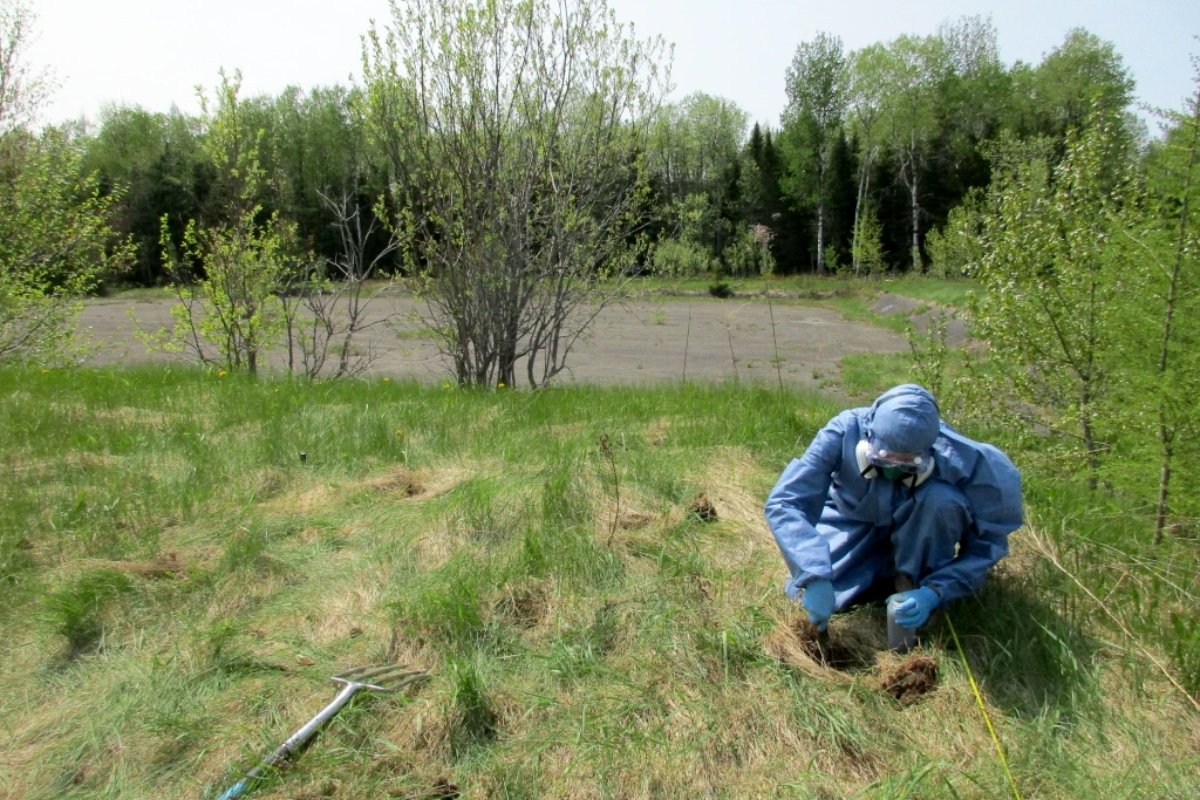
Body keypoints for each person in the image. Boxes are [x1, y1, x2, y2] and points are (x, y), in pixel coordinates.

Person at [763, 384, 1023, 643]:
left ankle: (916, 586)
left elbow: (988, 545)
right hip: (851, 522)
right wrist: (812, 572)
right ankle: (871, 575)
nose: (892, 472)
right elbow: (786, 502)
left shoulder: (969, 462)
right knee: (810, 594)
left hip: (921, 531)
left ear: (930, 451)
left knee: (941, 501)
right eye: (883, 461)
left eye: (907, 466)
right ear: (869, 436)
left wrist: (935, 592)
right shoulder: (843, 432)